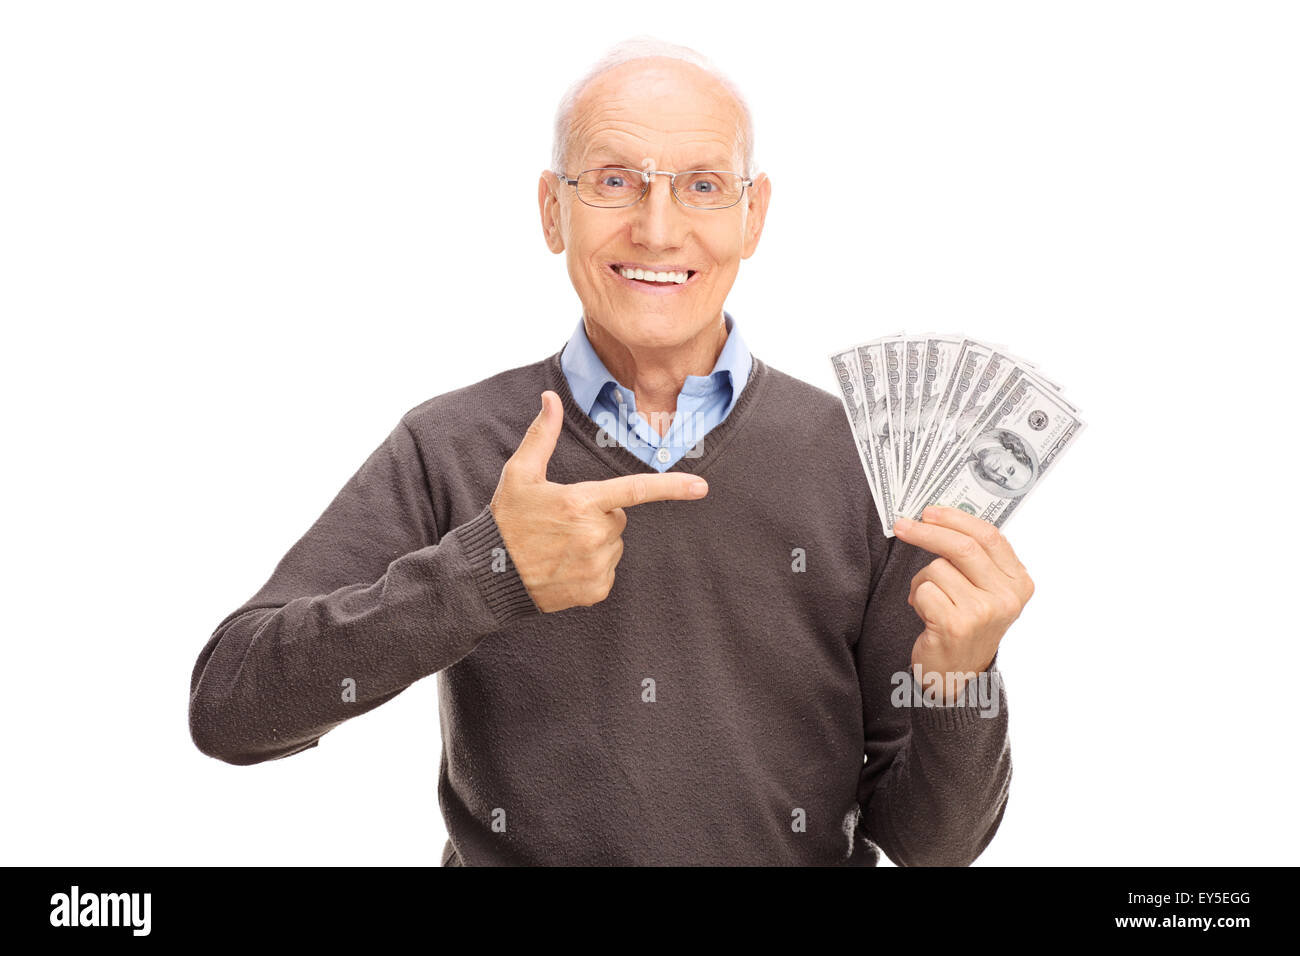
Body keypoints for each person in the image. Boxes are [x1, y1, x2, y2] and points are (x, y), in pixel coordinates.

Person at [188, 35, 1036, 867]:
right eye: (614, 182)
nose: (658, 229)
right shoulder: (451, 444)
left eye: (703, 186)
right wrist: (487, 574)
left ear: (755, 215)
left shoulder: (865, 465)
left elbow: (934, 847)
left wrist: (961, 682)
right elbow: (230, 709)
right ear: (553, 210)